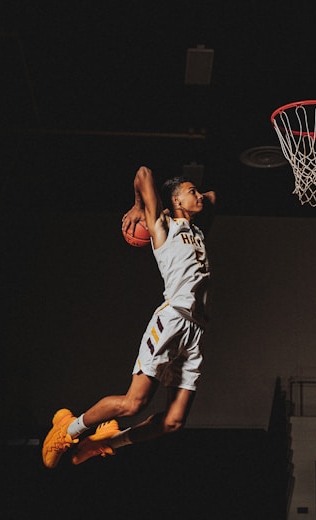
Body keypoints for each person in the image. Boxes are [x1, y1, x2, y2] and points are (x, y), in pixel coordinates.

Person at [42, 165, 216, 468]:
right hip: (172, 320)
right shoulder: (162, 226)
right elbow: (144, 173)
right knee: (133, 403)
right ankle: (67, 430)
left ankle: (106, 442)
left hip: (196, 330)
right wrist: (140, 206)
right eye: (192, 192)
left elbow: (212, 196)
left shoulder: (198, 231)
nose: (200, 195)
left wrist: (195, 194)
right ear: (174, 201)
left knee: (174, 422)